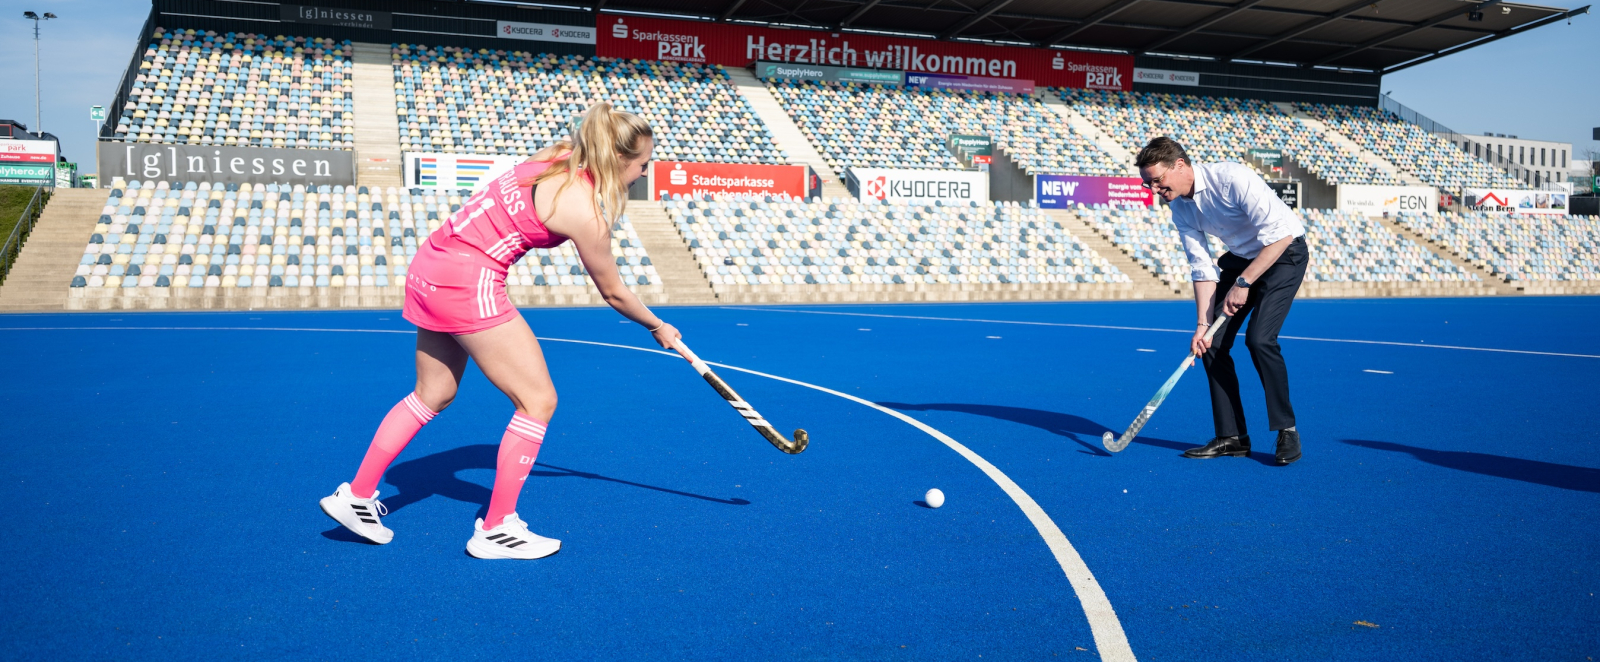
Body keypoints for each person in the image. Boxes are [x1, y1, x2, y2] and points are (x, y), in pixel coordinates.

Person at [319, 103, 680, 559]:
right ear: (616, 159)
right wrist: (659, 326)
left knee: (432, 394)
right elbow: (614, 293)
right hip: (468, 281)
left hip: (431, 264)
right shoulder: (586, 212)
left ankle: (355, 495)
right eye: (642, 163)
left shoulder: (555, 155)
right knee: (538, 401)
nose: (643, 173)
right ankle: (496, 529)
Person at [1135, 136, 1308, 465]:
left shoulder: (1233, 179)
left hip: (1284, 254)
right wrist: (1202, 324)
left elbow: (1280, 235)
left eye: (1157, 180)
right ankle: (1232, 438)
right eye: (1148, 184)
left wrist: (1243, 283)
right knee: (1211, 343)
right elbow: (1202, 268)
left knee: (1259, 339)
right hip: (1243, 258)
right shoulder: (1181, 208)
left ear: (1180, 166)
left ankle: (1287, 430)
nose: (1154, 189)